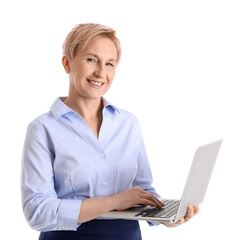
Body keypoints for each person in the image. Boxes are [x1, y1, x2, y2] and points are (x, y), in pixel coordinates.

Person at [21, 23, 199, 240]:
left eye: (109, 64)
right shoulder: (42, 129)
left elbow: (143, 191)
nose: (100, 72)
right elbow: (37, 212)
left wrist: (169, 217)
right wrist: (114, 202)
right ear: (67, 63)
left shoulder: (129, 123)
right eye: (91, 60)